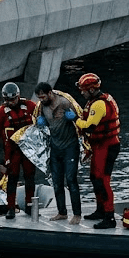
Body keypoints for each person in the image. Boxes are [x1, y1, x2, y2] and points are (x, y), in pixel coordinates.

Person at [73, 73, 121, 229]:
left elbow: (89, 126)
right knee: (94, 177)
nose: (81, 93)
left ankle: (109, 216)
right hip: (99, 146)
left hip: (107, 146)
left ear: (92, 90)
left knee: (103, 180)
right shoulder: (94, 101)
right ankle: (100, 210)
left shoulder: (99, 104)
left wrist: (74, 119)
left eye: (84, 90)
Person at [34, 81, 84, 224]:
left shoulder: (64, 102)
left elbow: (81, 120)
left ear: (50, 93)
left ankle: (77, 214)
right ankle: (62, 212)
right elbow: (36, 125)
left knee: (71, 180)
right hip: (55, 148)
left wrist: (73, 118)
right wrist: (39, 123)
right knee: (56, 182)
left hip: (70, 146)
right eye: (39, 98)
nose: (41, 100)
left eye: (43, 97)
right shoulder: (42, 107)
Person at [0, 82, 37, 219]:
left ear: (18, 96)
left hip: (29, 149)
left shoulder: (30, 106)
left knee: (30, 177)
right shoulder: (0, 112)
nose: (10, 102)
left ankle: (29, 205)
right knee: (12, 179)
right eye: (7, 100)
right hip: (12, 151)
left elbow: (42, 117)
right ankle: (10, 208)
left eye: (13, 99)